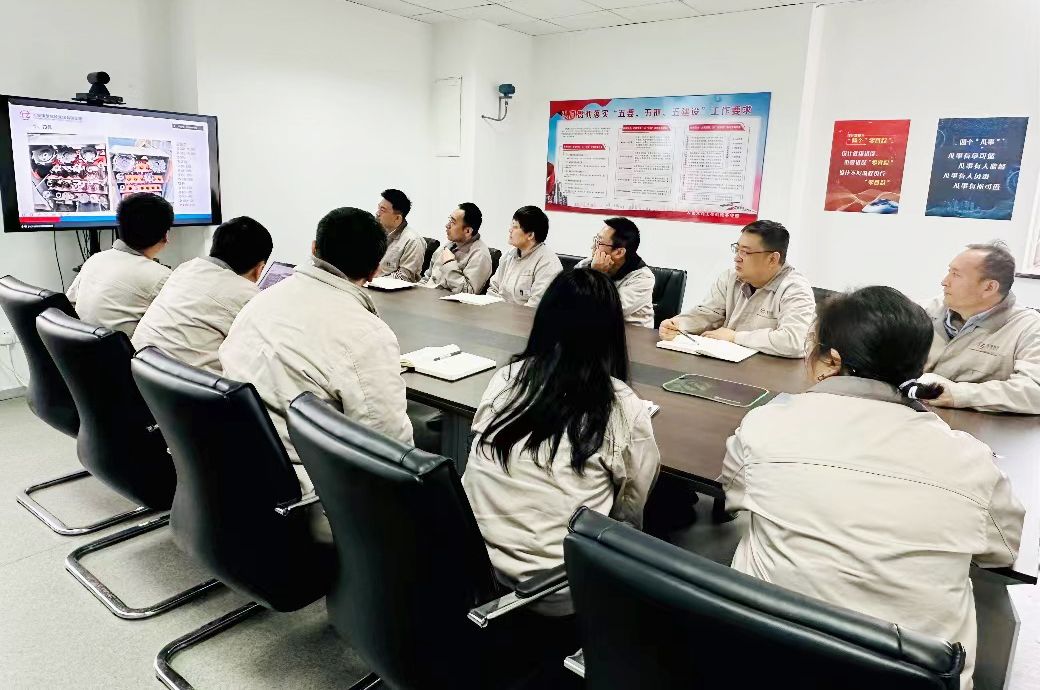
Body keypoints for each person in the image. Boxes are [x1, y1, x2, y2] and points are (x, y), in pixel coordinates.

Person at [721, 285, 1024, 690]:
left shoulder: (764, 426)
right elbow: (1002, 551)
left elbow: (732, 496)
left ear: (830, 360)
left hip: (765, 655)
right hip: (908, 673)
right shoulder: (971, 461)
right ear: (920, 365)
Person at [463, 268, 662, 616]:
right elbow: (631, 506)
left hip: (467, 564)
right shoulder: (620, 405)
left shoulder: (508, 378)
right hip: (550, 591)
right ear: (611, 332)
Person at [219, 207, 412, 491]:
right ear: (375, 271)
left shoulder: (260, 300)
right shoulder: (367, 334)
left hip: (234, 467)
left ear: (313, 249)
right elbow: (388, 450)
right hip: (306, 490)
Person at [132, 216, 273, 373]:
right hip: (190, 383)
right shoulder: (247, 294)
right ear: (259, 269)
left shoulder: (185, 268)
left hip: (141, 369)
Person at [659, 220, 815, 357]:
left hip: (770, 372)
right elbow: (709, 314)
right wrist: (680, 324)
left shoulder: (795, 288)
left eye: (745, 252)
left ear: (772, 259)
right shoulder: (730, 278)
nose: (737, 258)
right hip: (726, 364)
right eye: (737, 249)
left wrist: (735, 337)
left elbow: (794, 340)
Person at [919, 241, 1040, 413]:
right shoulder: (925, 310)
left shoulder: (1028, 328)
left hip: (977, 425)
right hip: (914, 416)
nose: (944, 282)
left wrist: (958, 394)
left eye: (956, 275)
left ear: (989, 287)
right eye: (949, 271)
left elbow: (1034, 391)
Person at [66, 192, 174, 337]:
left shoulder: (95, 260)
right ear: (165, 236)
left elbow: (68, 308)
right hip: (127, 351)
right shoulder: (162, 278)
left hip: (82, 347)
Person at [576, 217, 655, 327]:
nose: (593, 247)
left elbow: (606, 312)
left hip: (631, 334)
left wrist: (596, 275)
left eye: (599, 242)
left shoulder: (642, 279)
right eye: (596, 240)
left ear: (619, 252)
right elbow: (568, 299)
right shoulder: (586, 264)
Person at [487, 205, 563, 308]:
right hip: (499, 313)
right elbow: (493, 289)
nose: (510, 230)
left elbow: (536, 305)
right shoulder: (508, 255)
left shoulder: (548, 263)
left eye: (515, 227)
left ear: (530, 235)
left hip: (525, 317)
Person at [423, 202, 493, 294]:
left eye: (453, 222)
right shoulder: (449, 244)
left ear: (467, 231)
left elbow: (467, 292)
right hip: (428, 295)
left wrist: (449, 263)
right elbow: (427, 278)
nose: (447, 225)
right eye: (449, 220)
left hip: (446, 301)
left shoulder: (480, 255)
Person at [375, 188, 425, 282]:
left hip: (388, 289)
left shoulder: (413, 241)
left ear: (397, 218)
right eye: (378, 208)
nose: (377, 213)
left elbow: (404, 277)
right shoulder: (376, 233)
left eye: (382, 210)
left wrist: (373, 280)